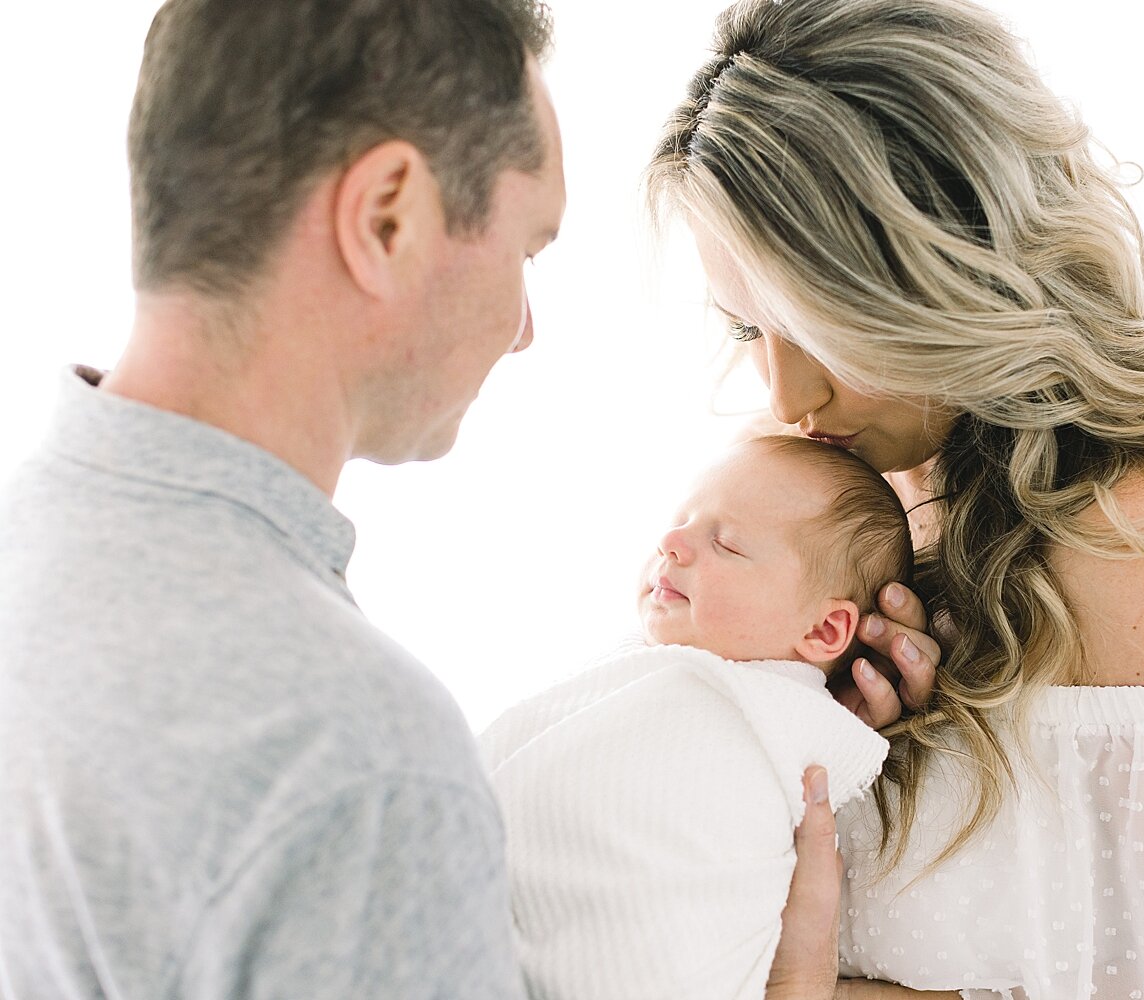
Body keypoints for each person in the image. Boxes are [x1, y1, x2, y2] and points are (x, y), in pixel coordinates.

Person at [0, 2, 849, 998]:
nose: (524, 328)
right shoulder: (360, 764)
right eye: (526, 249)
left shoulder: (32, 549)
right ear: (387, 216)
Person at [646, 0, 1144, 997]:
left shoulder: (1133, 558)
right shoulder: (842, 506)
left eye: (825, 327)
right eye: (746, 332)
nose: (784, 396)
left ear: (953, 270)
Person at [480, 435, 911, 999]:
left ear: (822, 631)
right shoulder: (634, 676)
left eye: (727, 544)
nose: (671, 542)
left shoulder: (789, 731)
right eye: (681, 520)